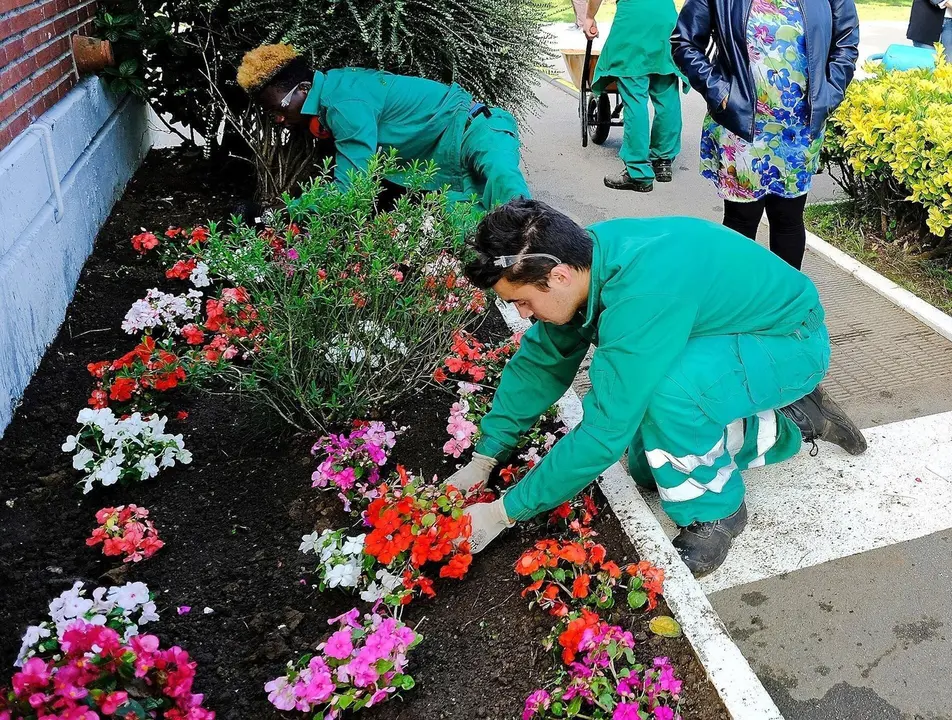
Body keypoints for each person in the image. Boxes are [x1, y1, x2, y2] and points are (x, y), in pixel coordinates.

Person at [455, 200, 867, 576]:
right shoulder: (586, 261)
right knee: (649, 465)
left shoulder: (641, 290)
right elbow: (539, 367)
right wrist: (484, 458)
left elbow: (604, 432)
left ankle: (717, 511)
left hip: (791, 343)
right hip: (729, 334)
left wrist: (505, 513)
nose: (524, 314)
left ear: (558, 276)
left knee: (666, 397)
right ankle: (798, 418)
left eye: (523, 301)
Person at [671, 0, 859, 269]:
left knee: (789, 218)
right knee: (741, 220)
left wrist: (829, 94)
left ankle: (784, 303)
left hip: (800, 129)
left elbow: (846, 43)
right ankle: (736, 303)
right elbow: (685, 42)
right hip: (741, 124)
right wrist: (719, 93)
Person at [235, 44, 530, 212]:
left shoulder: (342, 104)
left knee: (514, 204)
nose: (278, 118)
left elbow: (351, 189)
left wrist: (283, 212)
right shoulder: (332, 93)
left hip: (477, 131)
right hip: (447, 164)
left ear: (303, 89)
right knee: (473, 230)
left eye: (279, 107)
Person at [583, 0, 684, 192]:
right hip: (665, 20)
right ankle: (663, 161)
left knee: (635, 99)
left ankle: (638, 172)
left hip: (633, 22)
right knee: (667, 96)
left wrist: (589, 17)